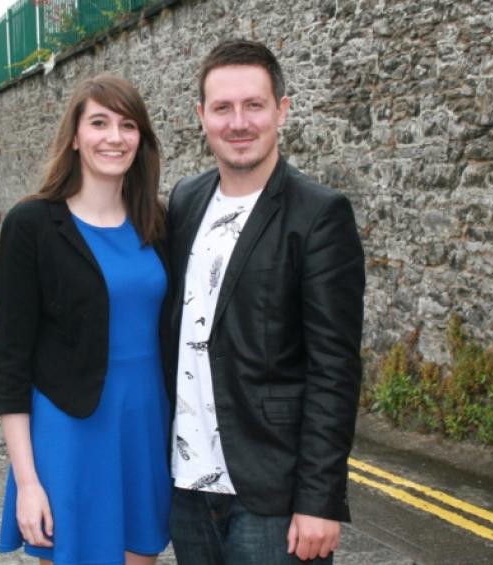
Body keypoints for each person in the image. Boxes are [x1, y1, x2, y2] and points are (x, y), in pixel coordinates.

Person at [165, 39, 365, 565]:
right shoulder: (186, 199)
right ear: (201, 116)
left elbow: (334, 368)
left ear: (281, 109)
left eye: (253, 105)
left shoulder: (319, 215)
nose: (239, 122)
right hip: (187, 486)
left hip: (271, 497)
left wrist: (319, 501)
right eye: (222, 108)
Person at [0, 74, 171, 565]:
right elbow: (11, 363)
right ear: (74, 136)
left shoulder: (157, 223)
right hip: (69, 432)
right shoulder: (32, 225)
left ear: (141, 139)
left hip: (144, 427)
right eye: (99, 123)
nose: (115, 137)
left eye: (127, 125)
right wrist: (28, 482)